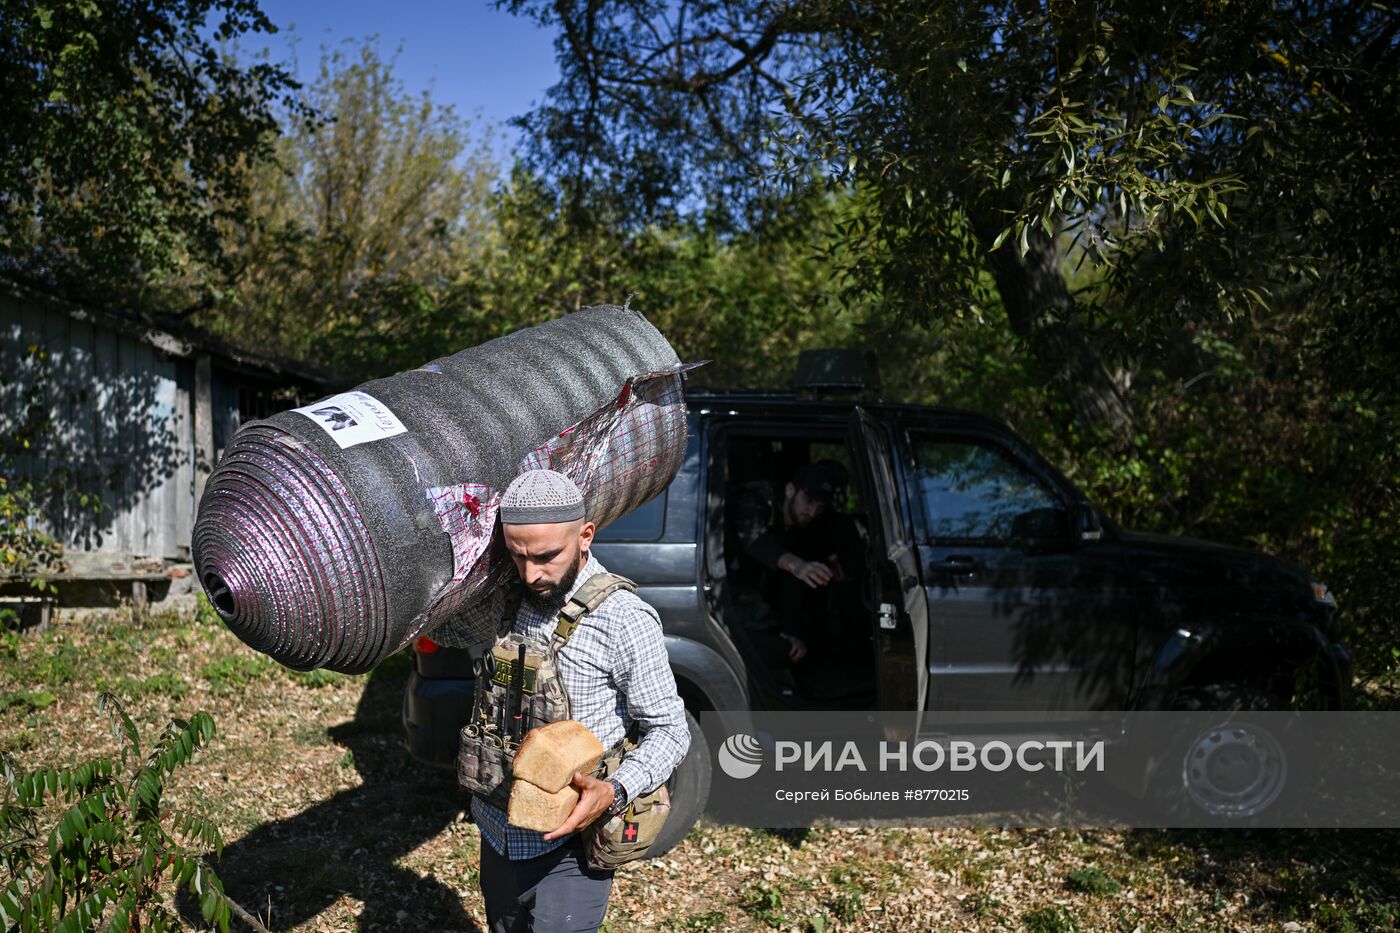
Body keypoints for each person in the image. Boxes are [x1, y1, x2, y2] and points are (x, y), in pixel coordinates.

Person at [465, 469, 690, 933]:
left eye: (547, 556)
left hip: (570, 848)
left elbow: (671, 728)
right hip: (496, 830)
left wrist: (616, 788)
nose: (531, 573)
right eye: (517, 555)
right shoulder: (503, 596)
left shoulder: (623, 618)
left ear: (585, 535)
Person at [742, 460, 868, 681]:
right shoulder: (757, 499)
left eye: (819, 507)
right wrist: (797, 565)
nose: (811, 511)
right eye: (808, 501)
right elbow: (755, 541)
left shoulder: (808, 522)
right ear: (790, 489)